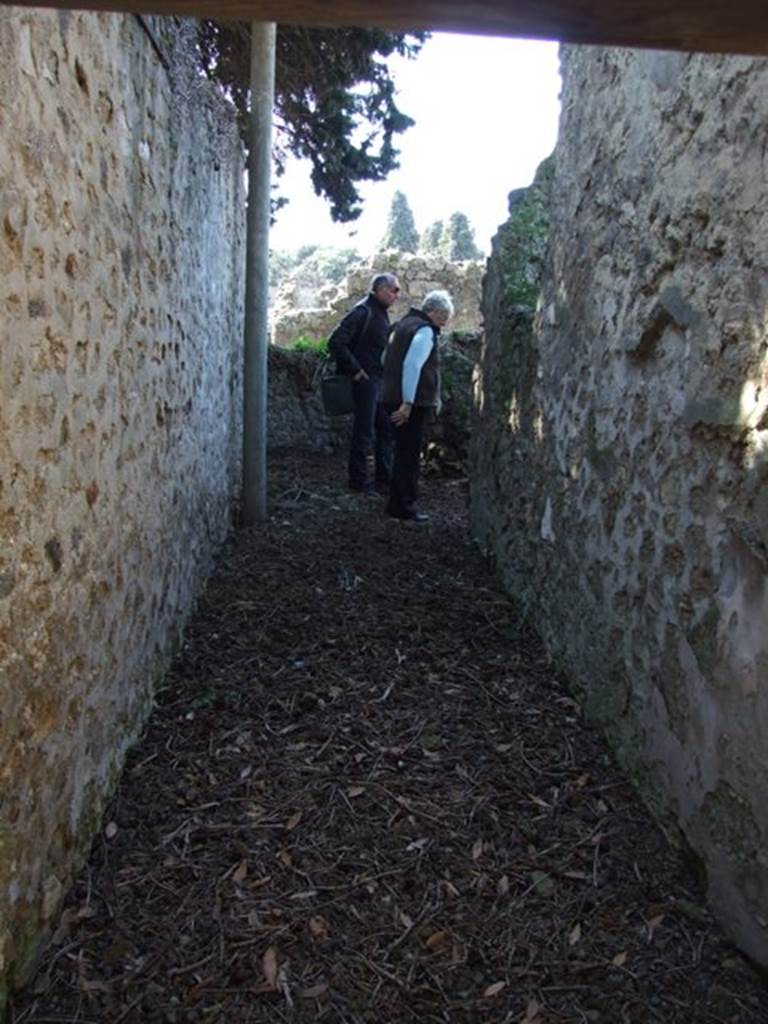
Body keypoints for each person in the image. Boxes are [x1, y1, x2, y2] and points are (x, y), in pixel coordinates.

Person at [381, 289, 454, 521]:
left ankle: (396, 504)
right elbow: (412, 365)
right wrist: (408, 402)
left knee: (401, 452)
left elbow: (384, 360)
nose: (443, 324)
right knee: (409, 455)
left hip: (390, 397)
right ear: (433, 312)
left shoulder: (402, 325)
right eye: (443, 318)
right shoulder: (424, 330)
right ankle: (404, 506)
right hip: (409, 403)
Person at [328, 273, 401, 494]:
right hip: (366, 382)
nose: (397, 295)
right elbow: (336, 342)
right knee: (364, 431)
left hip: (377, 382)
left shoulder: (378, 313)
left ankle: (383, 478)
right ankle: (358, 482)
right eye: (394, 290)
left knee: (385, 427)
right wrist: (356, 370)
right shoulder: (363, 311)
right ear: (379, 289)